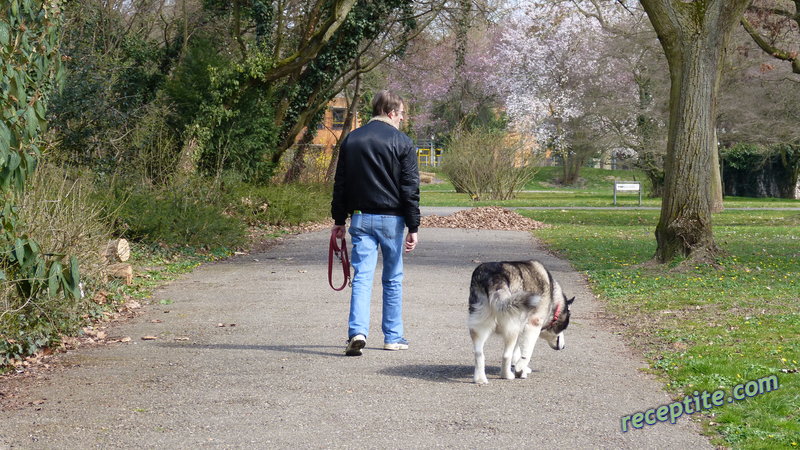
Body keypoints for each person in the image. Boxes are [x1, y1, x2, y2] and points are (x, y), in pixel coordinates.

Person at [331, 90, 420, 356]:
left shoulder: (351, 140)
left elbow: (341, 184)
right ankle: (392, 337)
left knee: (362, 278)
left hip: (360, 217)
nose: (402, 119)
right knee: (392, 278)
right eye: (402, 114)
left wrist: (339, 220)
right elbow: (410, 188)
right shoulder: (403, 142)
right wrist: (413, 227)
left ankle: (357, 332)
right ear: (392, 112)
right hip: (393, 220)